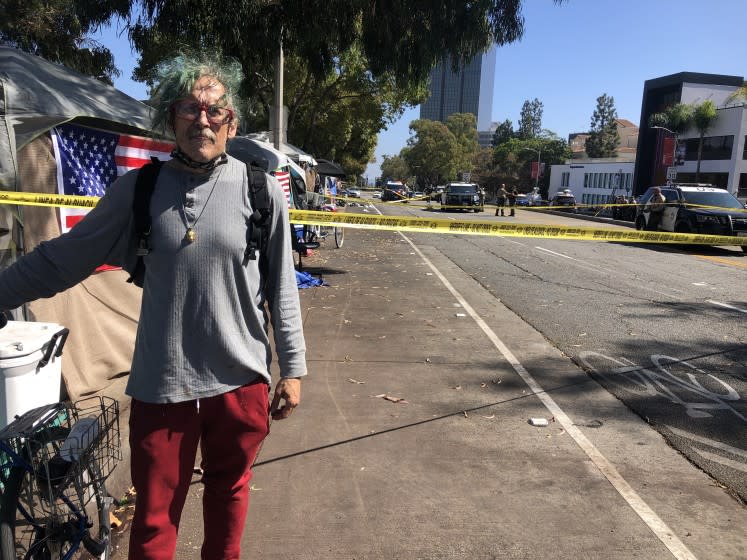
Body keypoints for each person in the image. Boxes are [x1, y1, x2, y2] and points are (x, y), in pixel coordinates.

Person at [0, 53, 307, 560]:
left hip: (241, 383)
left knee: (227, 507)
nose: (202, 119)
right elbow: (60, 260)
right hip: (163, 385)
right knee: (155, 521)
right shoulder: (138, 191)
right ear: (170, 119)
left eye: (214, 109)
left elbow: (281, 288)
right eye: (188, 108)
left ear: (231, 120)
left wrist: (292, 369)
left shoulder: (260, 193)